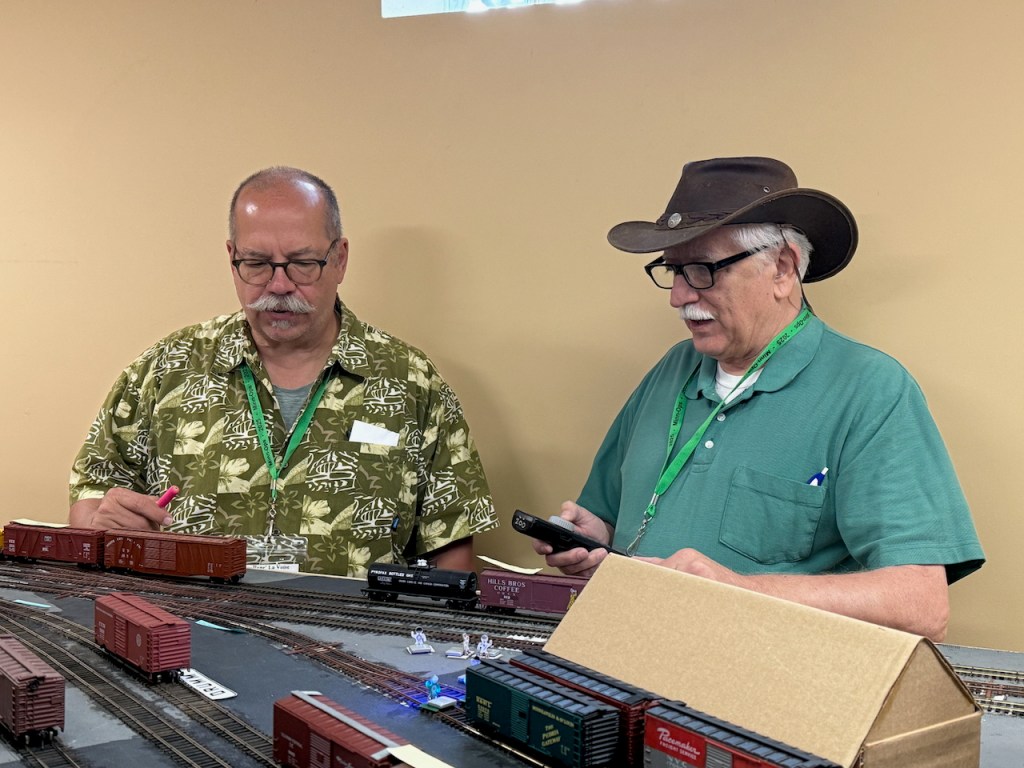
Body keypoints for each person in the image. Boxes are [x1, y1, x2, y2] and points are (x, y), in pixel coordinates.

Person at [533, 156, 984, 641]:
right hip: (622, 655)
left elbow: (921, 604)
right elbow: (609, 514)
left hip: (763, 675)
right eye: (673, 270)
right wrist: (594, 538)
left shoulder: (870, 389)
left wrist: (738, 589)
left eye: (702, 270)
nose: (678, 296)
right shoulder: (672, 369)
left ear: (783, 268)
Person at [69, 166, 497, 576]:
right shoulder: (167, 368)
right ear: (232, 258)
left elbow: (451, 550)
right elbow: (91, 498)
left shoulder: (411, 382)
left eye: (303, 262)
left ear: (340, 259)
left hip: (353, 627)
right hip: (184, 623)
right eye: (256, 263)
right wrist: (100, 527)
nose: (278, 285)